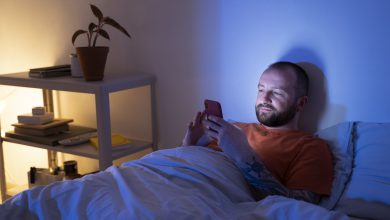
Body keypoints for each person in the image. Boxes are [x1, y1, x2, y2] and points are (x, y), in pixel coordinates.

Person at [182, 61, 333, 204]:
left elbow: (298, 207)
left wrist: (243, 156)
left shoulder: (310, 147)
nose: (264, 99)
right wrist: (188, 147)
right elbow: (182, 171)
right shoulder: (232, 128)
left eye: (277, 93)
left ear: (300, 103)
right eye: (261, 90)